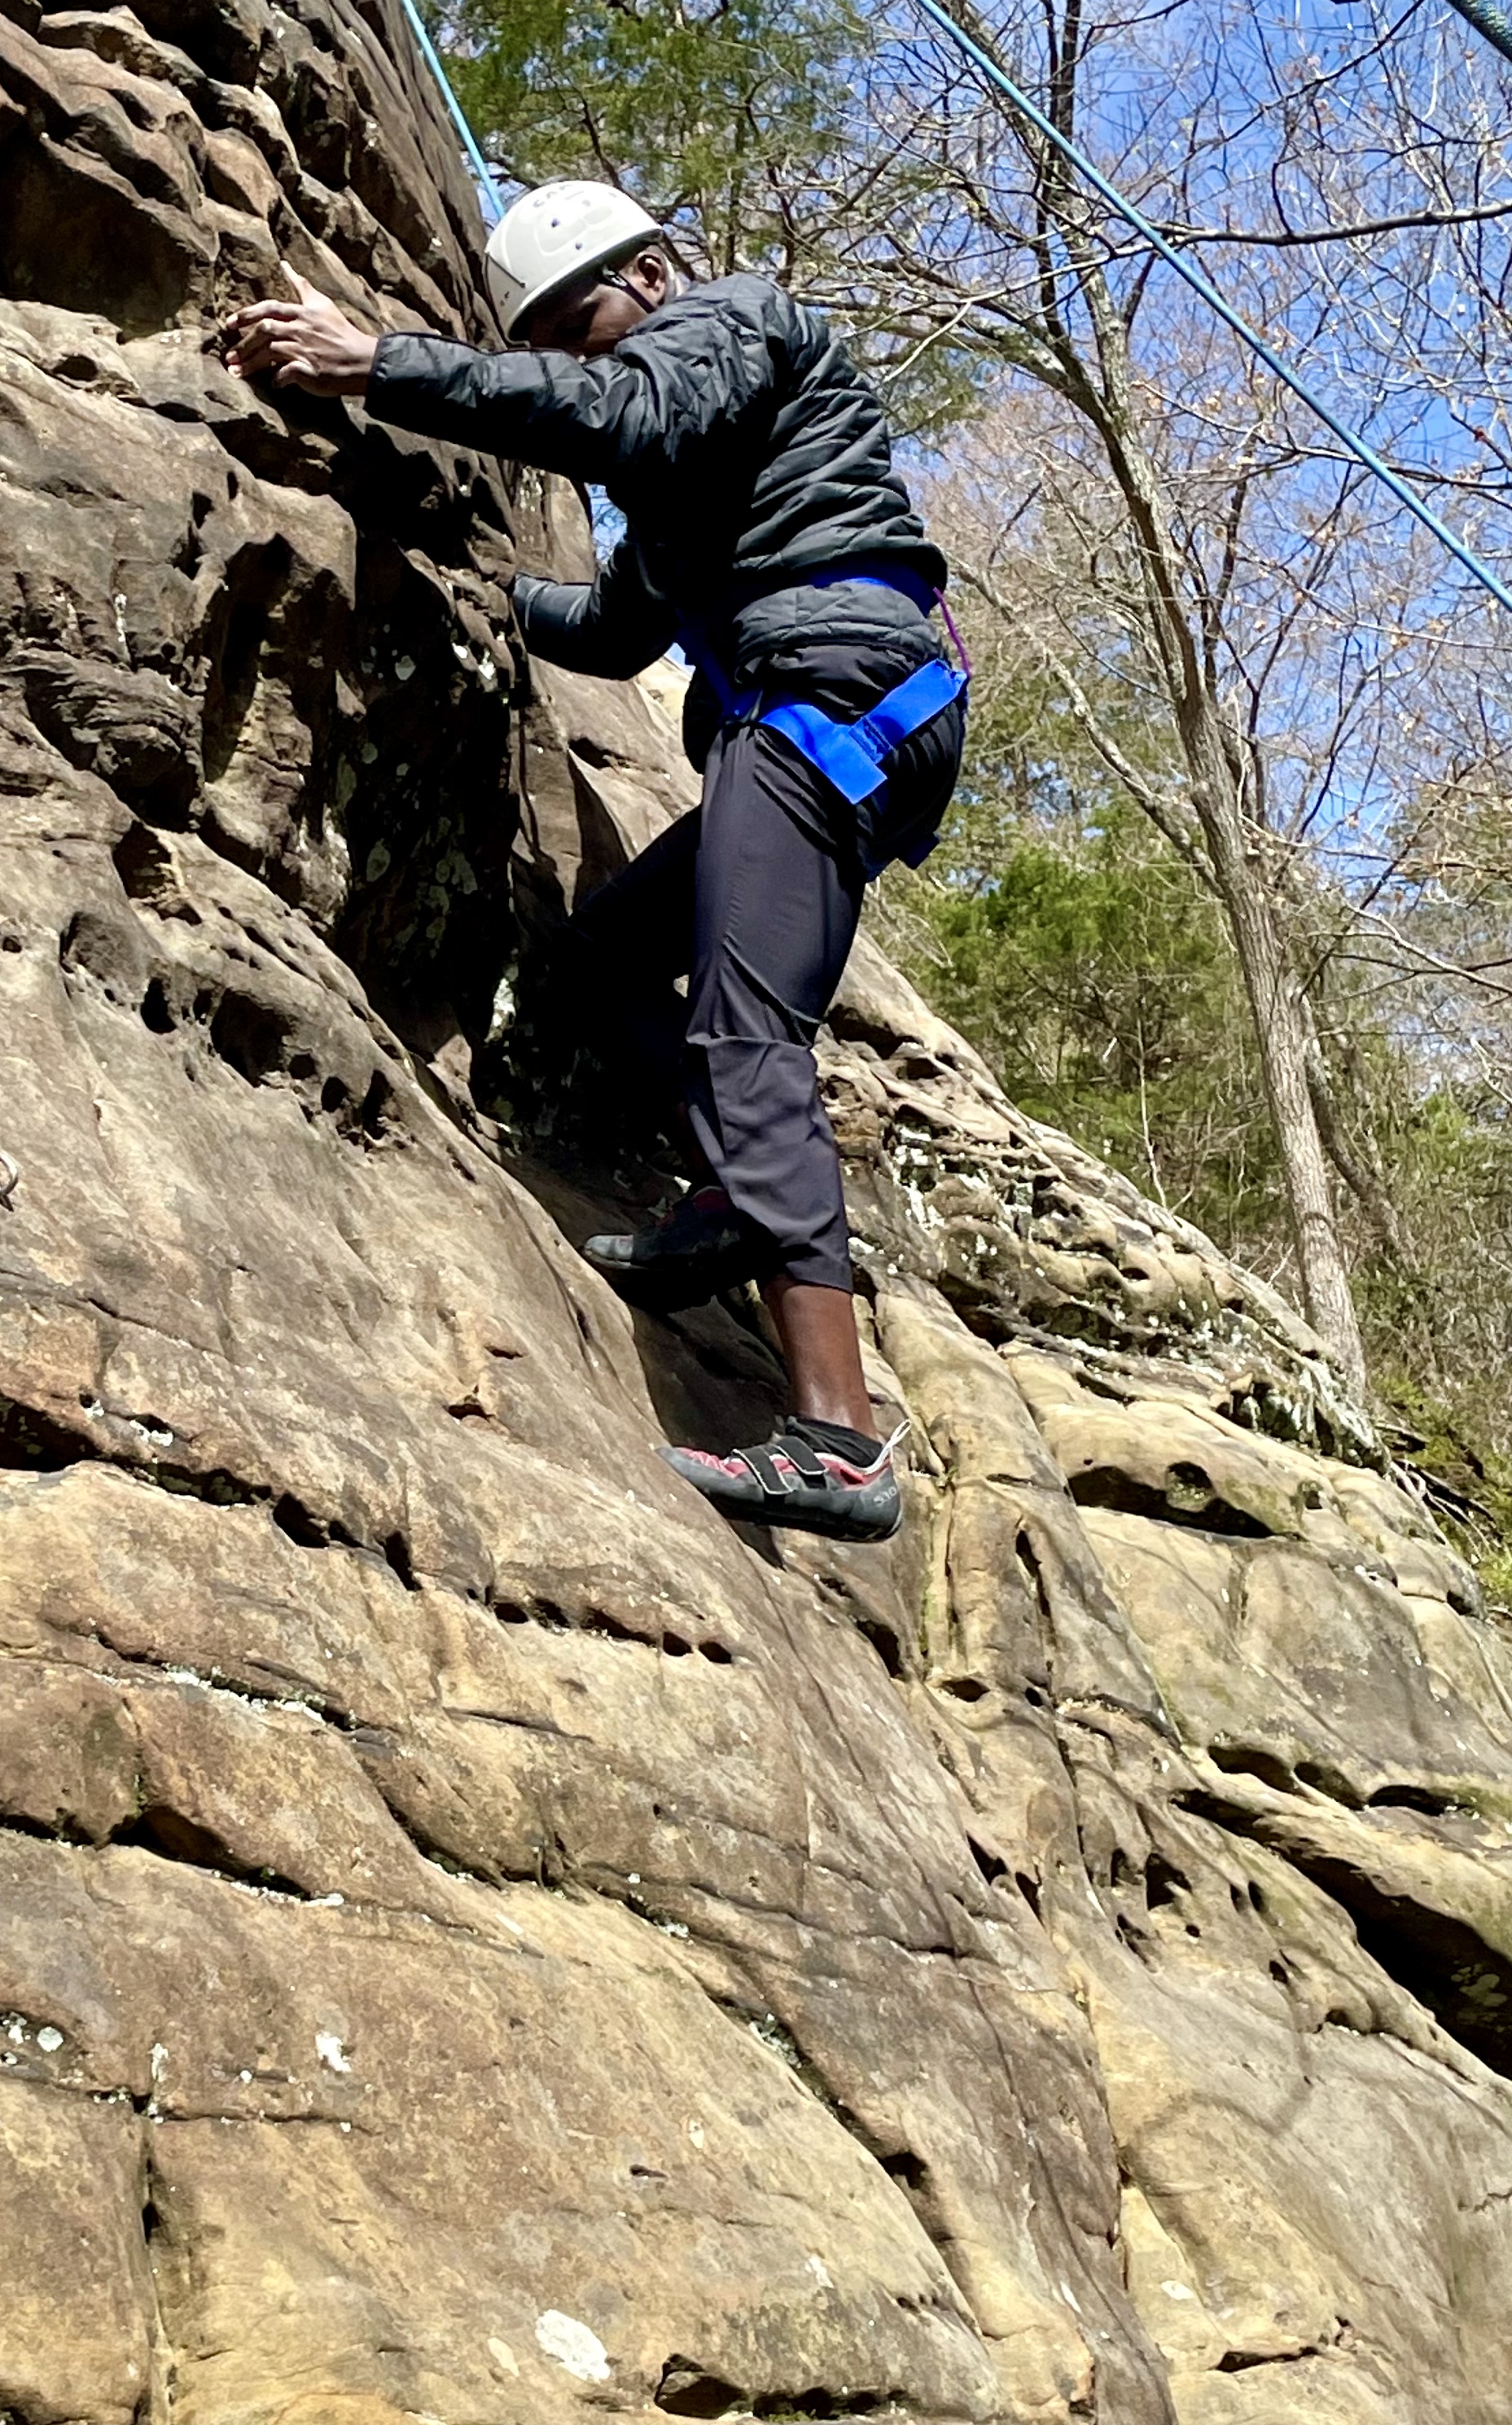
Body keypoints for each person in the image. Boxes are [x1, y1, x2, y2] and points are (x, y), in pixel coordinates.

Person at [221, 184, 966, 1546]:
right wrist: (479, 581)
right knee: (609, 957)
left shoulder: (732, 322)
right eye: (556, 342)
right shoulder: (685, 480)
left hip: (828, 690)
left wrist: (373, 361)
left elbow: (621, 413)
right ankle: (736, 1198)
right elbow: (620, 632)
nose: (583, 359)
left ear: (659, 270)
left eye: (587, 322)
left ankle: (842, 1445)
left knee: (752, 1040)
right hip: (850, 703)